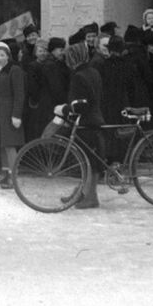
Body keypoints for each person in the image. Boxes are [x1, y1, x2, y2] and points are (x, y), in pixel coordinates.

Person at [55, 43, 105, 209]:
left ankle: (90, 197)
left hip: (86, 122)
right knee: (89, 160)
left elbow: (81, 105)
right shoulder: (93, 71)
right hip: (94, 119)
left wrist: (64, 109)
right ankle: (81, 192)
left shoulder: (78, 76)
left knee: (89, 161)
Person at [0, 42, 25, 189]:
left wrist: (16, 115)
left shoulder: (14, 70)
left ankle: (13, 177)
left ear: (8, 56)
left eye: (2, 55)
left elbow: (19, 94)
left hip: (9, 112)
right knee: (1, 144)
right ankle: (4, 173)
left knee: (9, 144)